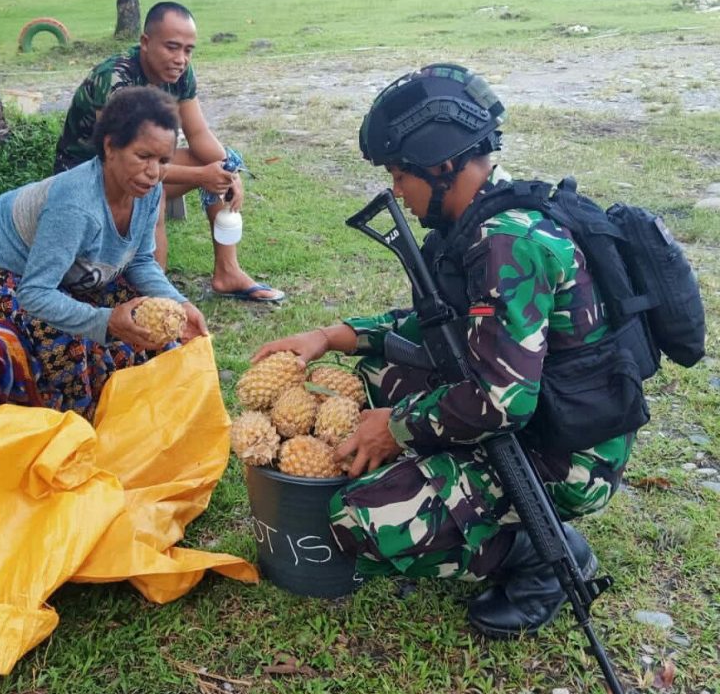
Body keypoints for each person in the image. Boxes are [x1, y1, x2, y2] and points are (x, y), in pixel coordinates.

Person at [252, 63, 638, 638]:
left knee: (363, 519)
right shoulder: (482, 220)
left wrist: (396, 429)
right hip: (536, 408)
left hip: (566, 452)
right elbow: (438, 331)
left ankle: (544, 556)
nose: (397, 193)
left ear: (440, 165)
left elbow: (502, 402)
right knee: (378, 372)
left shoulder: (508, 242)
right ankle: (457, 489)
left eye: (399, 175)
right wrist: (332, 336)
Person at [0, 86, 209, 419]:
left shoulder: (148, 191)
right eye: (143, 156)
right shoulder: (76, 206)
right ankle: (71, 420)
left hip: (39, 267)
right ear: (110, 147)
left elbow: (141, 260)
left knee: (143, 313)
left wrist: (180, 304)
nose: (154, 172)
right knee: (61, 336)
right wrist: (104, 320)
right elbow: (35, 293)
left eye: (163, 160)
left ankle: (130, 410)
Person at [53, 0, 284, 303]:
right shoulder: (116, 79)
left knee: (216, 161)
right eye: (172, 47)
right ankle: (154, 291)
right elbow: (121, 161)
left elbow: (198, 134)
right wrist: (201, 176)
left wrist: (229, 169)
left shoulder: (180, 74)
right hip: (88, 176)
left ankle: (227, 272)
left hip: (137, 166)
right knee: (152, 190)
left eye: (188, 50)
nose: (181, 59)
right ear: (145, 42)